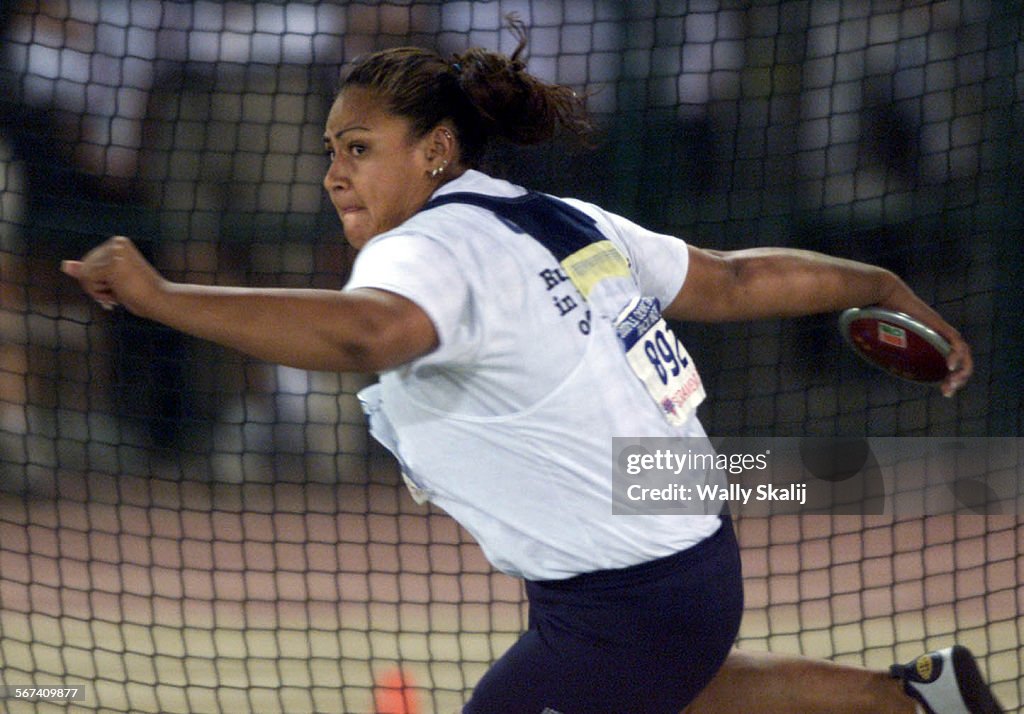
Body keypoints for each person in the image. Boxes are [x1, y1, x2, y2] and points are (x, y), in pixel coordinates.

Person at [61, 20, 1001, 714]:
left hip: (623, 592)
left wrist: (161, 297)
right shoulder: (560, 217)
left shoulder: (424, 249)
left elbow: (369, 336)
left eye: (358, 149)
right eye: (330, 153)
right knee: (669, 681)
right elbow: (732, 279)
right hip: (685, 544)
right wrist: (873, 277)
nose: (333, 174)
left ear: (435, 151)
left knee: (615, 676)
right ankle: (918, 702)